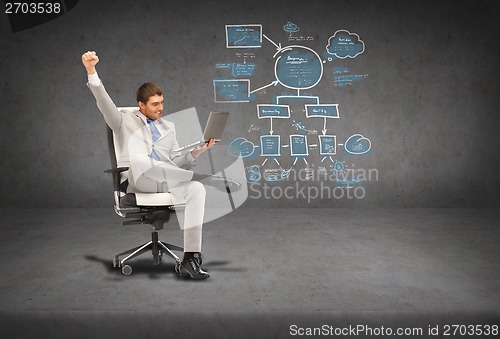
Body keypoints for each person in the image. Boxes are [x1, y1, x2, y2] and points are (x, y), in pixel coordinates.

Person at [82, 50, 234, 280]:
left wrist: (199, 150)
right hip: (137, 180)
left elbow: (175, 162)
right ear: (141, 105)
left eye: (162, 102)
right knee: (143, 161)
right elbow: (103, 102)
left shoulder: (168, 127)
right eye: (154, 104)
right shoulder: (122, 120)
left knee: (195, 189)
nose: (160, 108)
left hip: (163, 180)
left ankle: (191, 259)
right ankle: (207, 177)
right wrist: (91, 71)